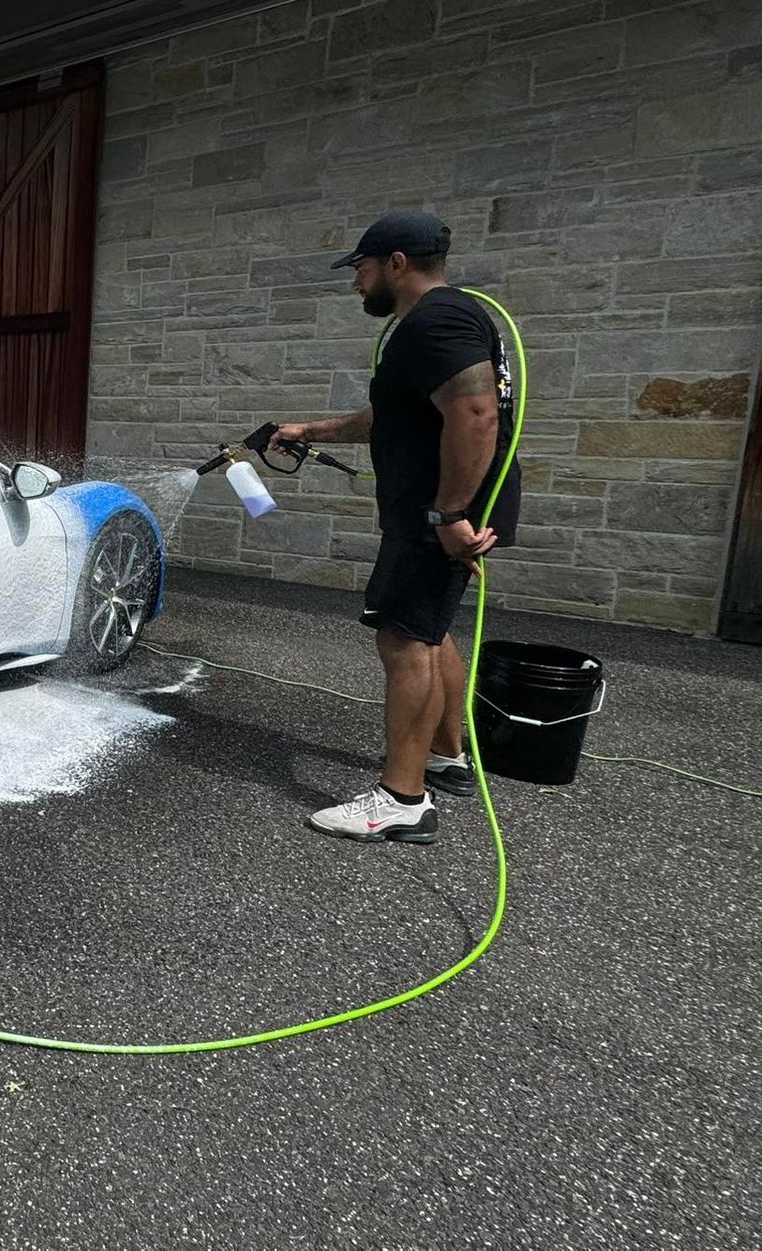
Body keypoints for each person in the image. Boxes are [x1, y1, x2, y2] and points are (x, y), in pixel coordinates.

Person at [242, 210, 519, 844]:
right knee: (428, 629)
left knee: (403, 642)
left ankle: (402, 799)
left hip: (436, 511)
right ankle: (445, 757)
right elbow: (401, 411)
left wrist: (448, 513)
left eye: (361, 269)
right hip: (438, 508)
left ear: (397, 263)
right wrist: (312, 431)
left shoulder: (435, 321)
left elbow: (475, 413)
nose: (355, 283)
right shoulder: (449, 320)